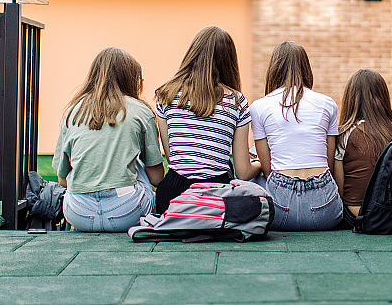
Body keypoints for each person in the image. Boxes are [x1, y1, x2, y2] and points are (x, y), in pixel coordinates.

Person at [53, 48, 165, 232]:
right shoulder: (141, 111)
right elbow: (156, 178)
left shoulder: (72, 112)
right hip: (127, 212)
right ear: (130, 79)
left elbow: (63, 179)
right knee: (135, 160)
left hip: (78, 214)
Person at [153, 26, 259, 214]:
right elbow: (243, 172)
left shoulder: (166, 96)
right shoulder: (237, 101)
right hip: (217, 197)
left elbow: (173, 158)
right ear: (229, 61)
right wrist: (261, 163)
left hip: (173, 196)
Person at [250, 41, 342, 230]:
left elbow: (268, 170)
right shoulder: (328, 104)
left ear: (274, 69)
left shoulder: (258, 107)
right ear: (306, 68)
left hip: (279, 212)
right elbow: (329, 161)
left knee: (253, 175)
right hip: (325, 211)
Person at [333, 69, 392, 228]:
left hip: (356, 216)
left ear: (350, 99)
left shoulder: (343, 135)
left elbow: (339, 191)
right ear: (383, 97)